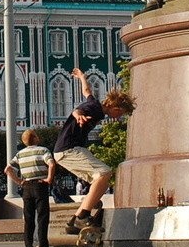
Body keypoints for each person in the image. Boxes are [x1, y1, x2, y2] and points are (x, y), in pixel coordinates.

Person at [53, 67, 136, 234]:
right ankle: (83, 216)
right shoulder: (95, 109)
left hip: (64, 151)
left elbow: (87, 91)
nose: (118, 117)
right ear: (114, 105)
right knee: (105, 172)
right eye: (119, 113)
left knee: (99, 181)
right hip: (68, 149)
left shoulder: (94, 103)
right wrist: (78, 116)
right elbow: (78, 111)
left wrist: (82, 77)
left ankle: (74, 222)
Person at [5, 129, 57, 247]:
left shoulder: (20, 154)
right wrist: (49, 179)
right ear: (35, 138)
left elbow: (8, 169)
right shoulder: (43, 150)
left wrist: (18, 181)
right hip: (40, 185)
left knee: (28, 219)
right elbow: (51, 164)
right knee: (42, 217)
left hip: (26, 187)